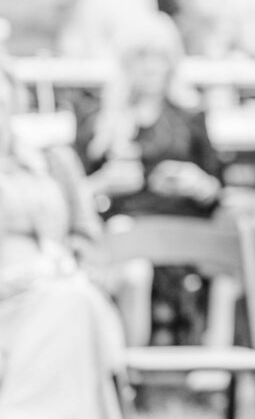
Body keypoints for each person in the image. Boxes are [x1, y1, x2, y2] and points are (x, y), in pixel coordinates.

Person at [74, 13, 222, 347]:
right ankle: (131, 365)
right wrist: (104, 182)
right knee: (133, 265)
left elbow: (217, 190)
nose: (153, 67)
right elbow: (72, 195)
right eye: (143, 57)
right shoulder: (99, 121)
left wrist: (197, 182)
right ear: (126, 62)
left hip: (184, 231)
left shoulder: (191, 116)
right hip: (124, 231)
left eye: (161, 57)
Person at [0, 62, 125, 419]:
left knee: (74, 299)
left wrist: (72, 264)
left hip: (59, 285)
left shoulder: (54, 161)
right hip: (7, 300)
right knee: (74, 304)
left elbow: (88, 239)